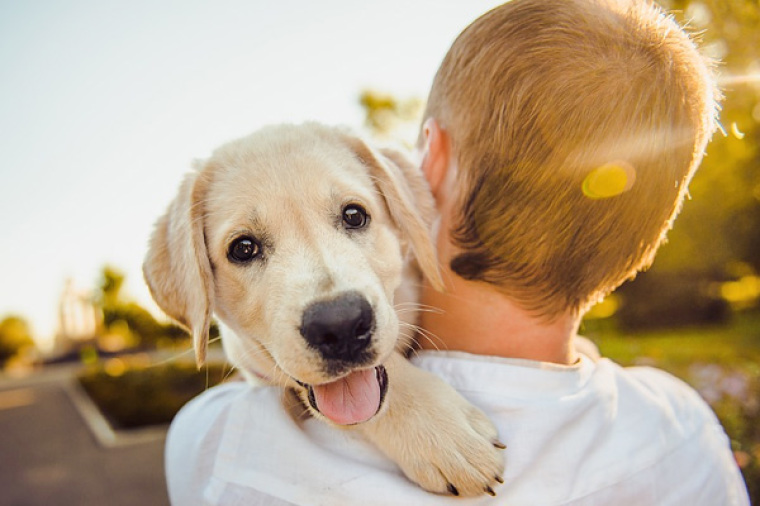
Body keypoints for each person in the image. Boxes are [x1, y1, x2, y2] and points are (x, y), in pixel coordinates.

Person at [164, 0, 750, 504]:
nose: (334, 304)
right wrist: (397, 401)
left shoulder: (218, 450)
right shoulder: (686, 431)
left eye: (352, 216)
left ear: (429, 164)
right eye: (245, 248)